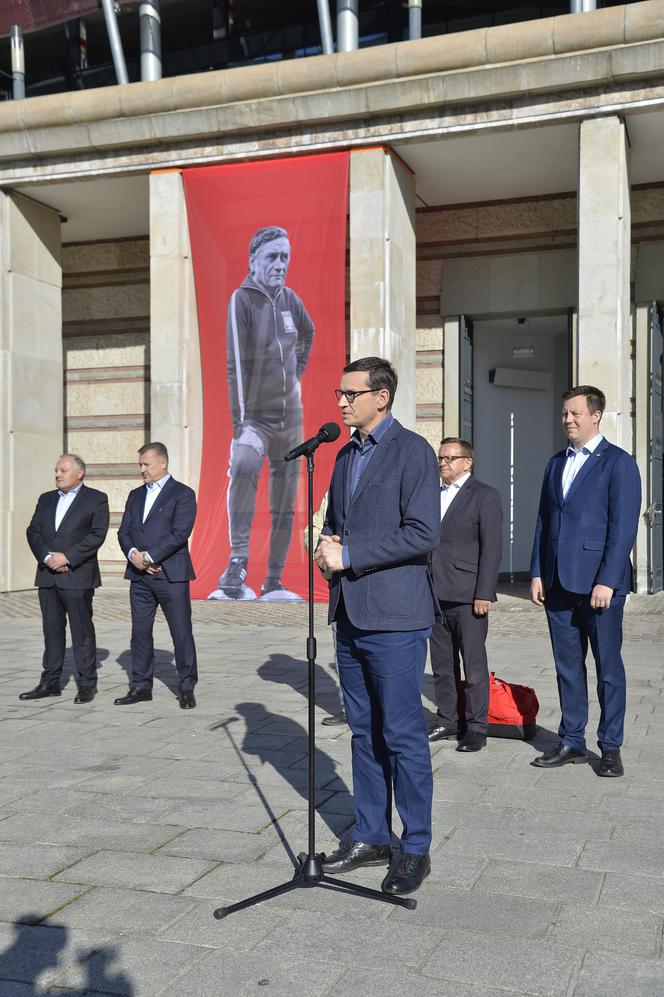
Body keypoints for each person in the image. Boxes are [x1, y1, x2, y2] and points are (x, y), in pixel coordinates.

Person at [315, 356, 441, 896]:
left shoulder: (412, 451)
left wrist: (352, 554)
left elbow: (422, 533)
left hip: (395, 618)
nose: (340, 402)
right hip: (350, 613)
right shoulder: (344, 455)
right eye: (340, 394)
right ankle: (370, 833)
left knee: (403, 734)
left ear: (381, 396)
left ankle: (414, 847)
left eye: (350, 393)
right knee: (363, 732)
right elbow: (336, 525)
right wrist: (325, 548)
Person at [530, 386, 641, 777]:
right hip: (558, 583)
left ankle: (610, 747)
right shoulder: (555, 463)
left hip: (599, 586)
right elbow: (545, 520)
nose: (568, 420)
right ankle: (572, 740)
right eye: (564, 414)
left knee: (608, 668)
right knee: (567, 667)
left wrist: (608, 581)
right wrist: (538, 571)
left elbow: (623, 526)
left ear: (596, 415)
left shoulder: (619, 463)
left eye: (575, 413)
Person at [211, 225, 315, 602]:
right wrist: (242, 427)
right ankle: (237, 561)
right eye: (272, 256)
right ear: (253, 261)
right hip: (255, 419)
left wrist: (296, 376)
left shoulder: (291, 300)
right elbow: (235, 366)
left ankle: (273, 579)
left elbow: (309, 332)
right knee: (242, 467)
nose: (280, 264)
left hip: (292, 421)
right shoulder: (242, 300)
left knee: (285, 504)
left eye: (285, 256)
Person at [428, 437, 503, 752]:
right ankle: (448, 719)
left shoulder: (485, 496)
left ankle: (476, 727)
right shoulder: (431, 495)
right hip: (433, 594)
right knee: (442, 665)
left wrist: (484, 592)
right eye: (440, 458)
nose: (443, 463)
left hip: (468, 595)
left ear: (467, 462)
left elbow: (492, 549)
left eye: (449, 458)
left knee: (473, 666)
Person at [117, 442, 199, 709]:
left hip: (170, 574)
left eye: (146, 464)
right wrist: (135, 557)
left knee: (181, 632)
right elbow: (124, 532)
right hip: (139, 577)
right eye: (140, 464)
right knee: (140, 632)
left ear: (162, 463)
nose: (142, 469)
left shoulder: (183, 494)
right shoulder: (135, 495)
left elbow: (179, 533)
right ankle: (141, 685)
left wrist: (150, 557)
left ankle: (186, 687)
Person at [23, 454, 109, 703]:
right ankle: (50, 682)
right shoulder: (46, 499)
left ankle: (86, 685)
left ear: (79, 473)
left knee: (81, 632)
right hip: (48, 576)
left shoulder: (96, 499)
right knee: (51, 631)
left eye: (63, 470)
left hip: (78, 576)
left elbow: (97, 535)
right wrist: (47, 557)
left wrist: (68, 557)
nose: (57, 474)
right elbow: (33, 530)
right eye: (56, 470)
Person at [305, 492, 346, 726]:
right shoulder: (335, 491)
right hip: (340, 584)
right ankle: (348, 707)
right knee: (342, 653)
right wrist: (322, 551)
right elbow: (312, 530)